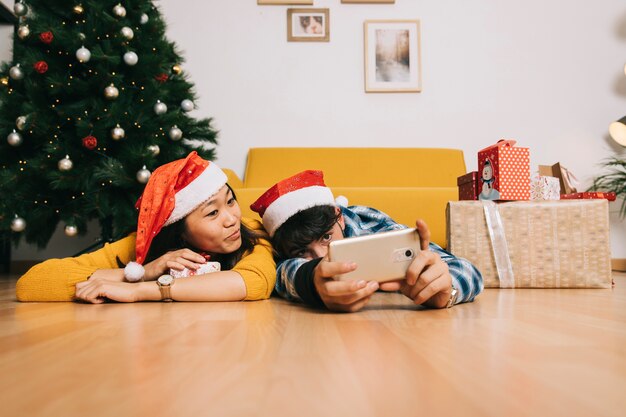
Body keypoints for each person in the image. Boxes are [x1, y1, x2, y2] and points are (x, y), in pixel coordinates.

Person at [16, 152, 275, 303]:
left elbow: (253, 282)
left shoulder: (250, 232)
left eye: (231, 202)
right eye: (212, 213)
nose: (231, 218)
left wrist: (141, 290)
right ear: (179, 230)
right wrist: (142, 271)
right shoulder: (142, 246)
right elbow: (31, 284)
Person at [250, 170, 483, 312]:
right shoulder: (280, 250)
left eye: (326, 237)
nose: (321, 257)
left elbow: (469, 272)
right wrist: (310, 279)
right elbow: (279, 272)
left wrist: (446, 290)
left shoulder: (371, 226)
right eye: (302, 251)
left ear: (339, 217)